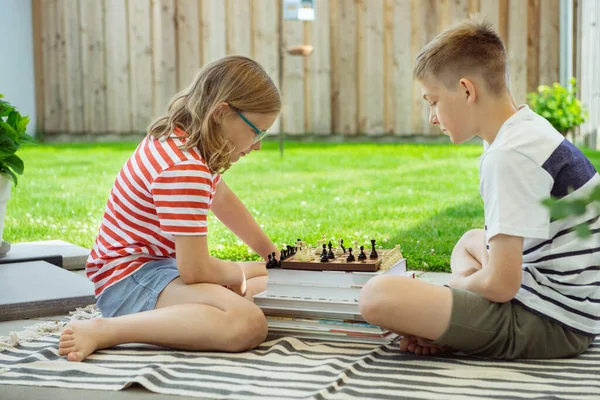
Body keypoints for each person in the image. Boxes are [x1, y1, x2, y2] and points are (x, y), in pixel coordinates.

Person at [358, 17, 599, 359]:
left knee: (377, 296)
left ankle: (459, 326)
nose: (433, 117)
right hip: (575, 310)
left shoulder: (508, 155)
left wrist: (449, 287)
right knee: (470, 241)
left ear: (467, 90)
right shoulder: (526, 129)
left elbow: (502, 284)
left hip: (551, 323)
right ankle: (460, 323)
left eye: (433, 101)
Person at [59, 56, 282, 362]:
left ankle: (211, 304)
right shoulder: (184, 167)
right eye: (257, 132)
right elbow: (195, 271)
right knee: (248, 323)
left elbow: (222, 200)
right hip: (128, 280)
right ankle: (105, 330)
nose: (257, 145)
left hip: (154, 269)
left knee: (272, 278)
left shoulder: (181, 141)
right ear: (222, 112)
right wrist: (233, 273)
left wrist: (273, 256)